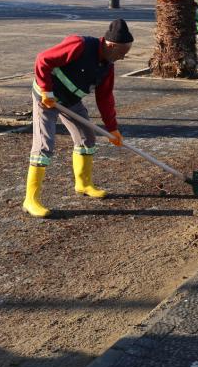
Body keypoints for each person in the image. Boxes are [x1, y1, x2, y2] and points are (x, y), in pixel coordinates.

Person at [22, 19, 134, 218]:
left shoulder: (107, 65)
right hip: (46, 98)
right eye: (122, 53)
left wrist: (112, 128)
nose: (123, 58)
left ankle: (83, 184)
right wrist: (46, 91)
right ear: (111, 45)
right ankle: (30, 200)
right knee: (44, 145)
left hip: (70, 100)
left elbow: (105, 97)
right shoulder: (80, 45)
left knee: (86, 138)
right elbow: (42, 60)